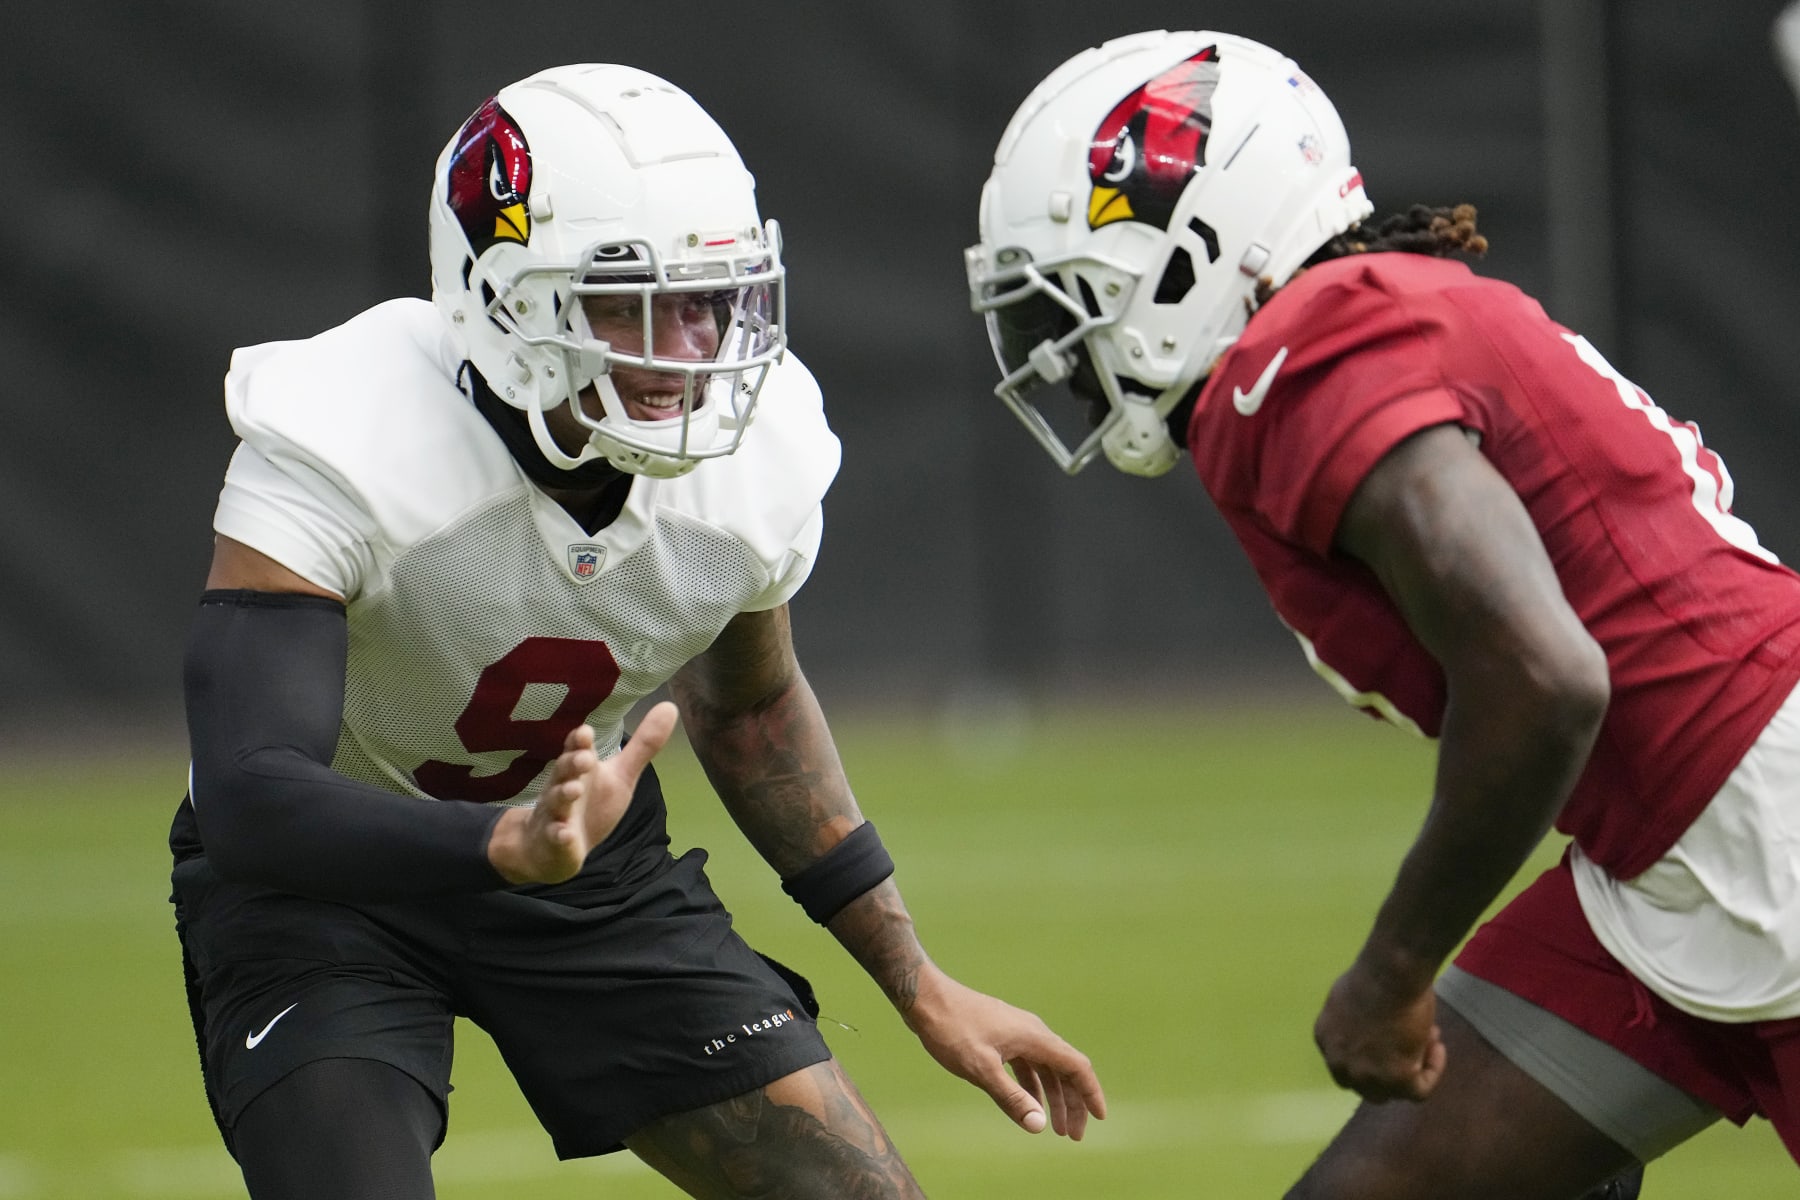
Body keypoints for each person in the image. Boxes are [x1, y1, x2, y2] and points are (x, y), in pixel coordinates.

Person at [171, 62, 1104, 1200]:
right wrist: (502, 845)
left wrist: (919, 982)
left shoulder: (751, 462)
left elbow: (752, 712)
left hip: (587, 868)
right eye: (631, 302)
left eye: (709, 300)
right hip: (324, 882)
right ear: (504, 299)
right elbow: (251, 794)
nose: (689, 347)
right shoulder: (346, 432)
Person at [964, 28, 1800, 1200]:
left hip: (1763, 819)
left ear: (1188, 251)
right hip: (1665, 854)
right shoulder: (1359, 316)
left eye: (1074, 303)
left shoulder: (1310, 347)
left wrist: (1393, 971)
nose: (1065, 352)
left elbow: (1544, 677)